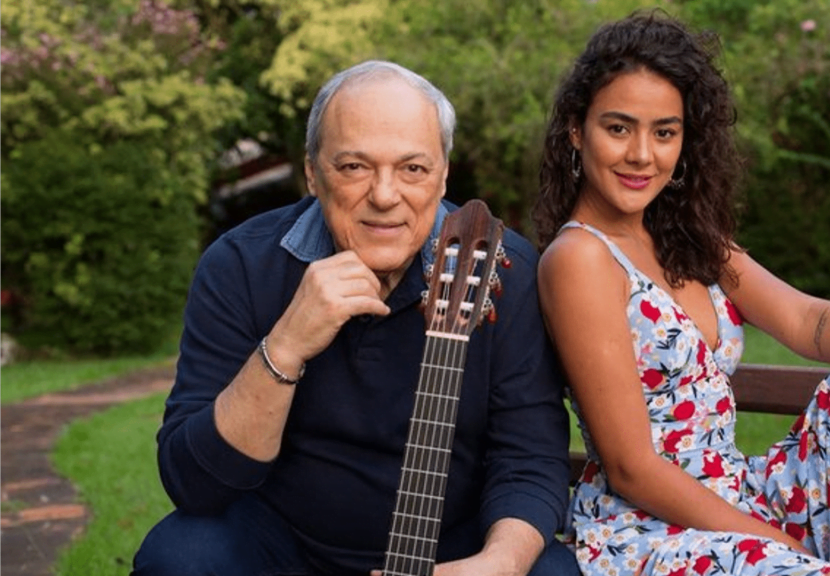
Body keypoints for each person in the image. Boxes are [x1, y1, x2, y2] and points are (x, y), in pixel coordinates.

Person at [533, 11, 830, 576]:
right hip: (649, 530)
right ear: (575, 131)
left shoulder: (686, 240)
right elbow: (632, 467)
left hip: (737, 496)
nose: (642, 154)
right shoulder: (580, 259)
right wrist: (783, 546)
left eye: (665, 132)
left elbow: (808, 320)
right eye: (618, 128)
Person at [132, 60, 577, 576]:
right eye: (354, 167)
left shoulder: (502, 271)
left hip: (449, 550)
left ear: (443, 173)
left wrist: (497, 564)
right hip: (284, 547)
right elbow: (195, 484)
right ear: (312, 173)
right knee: (181, 557)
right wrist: (286, 345)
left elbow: (528, 459)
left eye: (413, 168)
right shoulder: (239, 266)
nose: (385, 196)